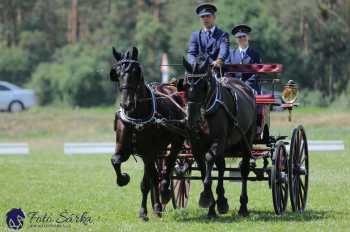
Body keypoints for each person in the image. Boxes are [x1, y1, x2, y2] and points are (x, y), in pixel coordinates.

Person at [187, 3, 229, 68]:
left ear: (214, 17)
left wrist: (219, 60)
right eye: (202, 17)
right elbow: (191, 53)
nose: (205, 19)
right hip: (199, 70)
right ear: (200, 19)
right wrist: (193, 63)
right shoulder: (195, 35)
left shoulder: (222, 35)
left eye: (208, 16)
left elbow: (224, 50)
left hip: (217, 69)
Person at [225, 24, 262, 93]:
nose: (242, 39)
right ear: (236, 39)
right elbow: (228, 72)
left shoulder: (255, 54)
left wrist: (246, 85)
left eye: (244, 36)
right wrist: (235, 84)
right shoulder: (231, 54)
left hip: (251, 87)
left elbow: (256, 73)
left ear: (248, 37)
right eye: (239, 37)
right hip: (234, 87)